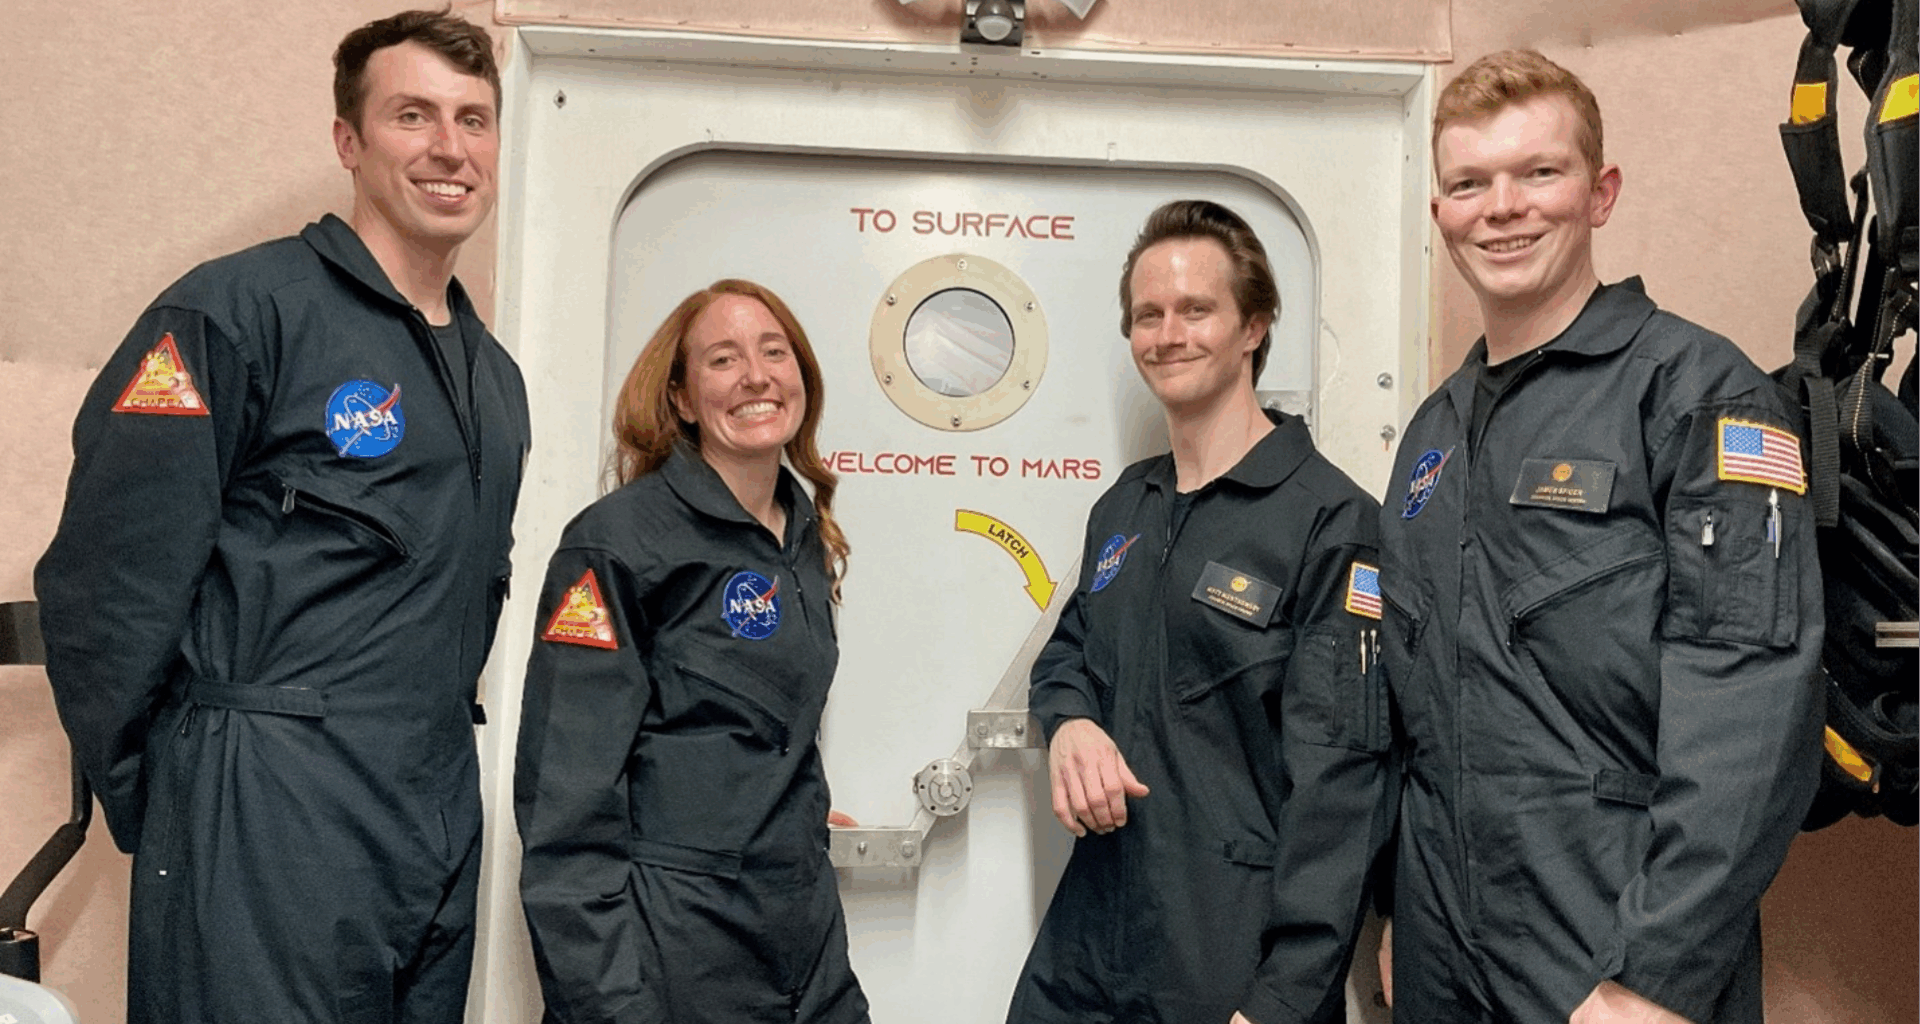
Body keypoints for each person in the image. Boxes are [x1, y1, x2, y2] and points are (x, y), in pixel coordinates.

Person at [33, 9, 528, 1023]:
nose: (450, 148)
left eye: (474, 120)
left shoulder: (495, 381)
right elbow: (104, 589)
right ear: (349, 141)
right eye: (413, 115)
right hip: (269, 793)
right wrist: (180, 793)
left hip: (431, 794)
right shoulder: (234, 316)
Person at [1376, 49, 1823, 1024]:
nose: (1502, 206)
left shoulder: (1697, 395)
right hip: (1446, 948)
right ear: (1442, 214)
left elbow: (1752, 704)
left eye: (1539, 172)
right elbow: (1420, 717)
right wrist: (1401, 911)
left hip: (1613, 948)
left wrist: (1658, 969)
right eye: (1468, 183)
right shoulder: (1431, 439)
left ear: (1600, 193)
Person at [1006, 200, 1395, 1024]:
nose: (1168, 333)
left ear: (1253, 326)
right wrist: (1071, 722)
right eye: (1148, 314)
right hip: (1088, 946)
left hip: (1228, 962)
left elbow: (1344, 794)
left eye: (1196, 309)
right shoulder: (1126, 507)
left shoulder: (1329, 522)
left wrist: (1283, 1001)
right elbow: (1066, 652)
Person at [515, 280, 869, 1023]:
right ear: (678, 398)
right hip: (673, 950)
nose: (756, 376)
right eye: (722, 360)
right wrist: (610, 1004)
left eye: (775, 352)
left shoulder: (802, 536)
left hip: (801, 936)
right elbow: (565, 809)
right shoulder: (616, 543)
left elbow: (766, 728)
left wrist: (780, 812)